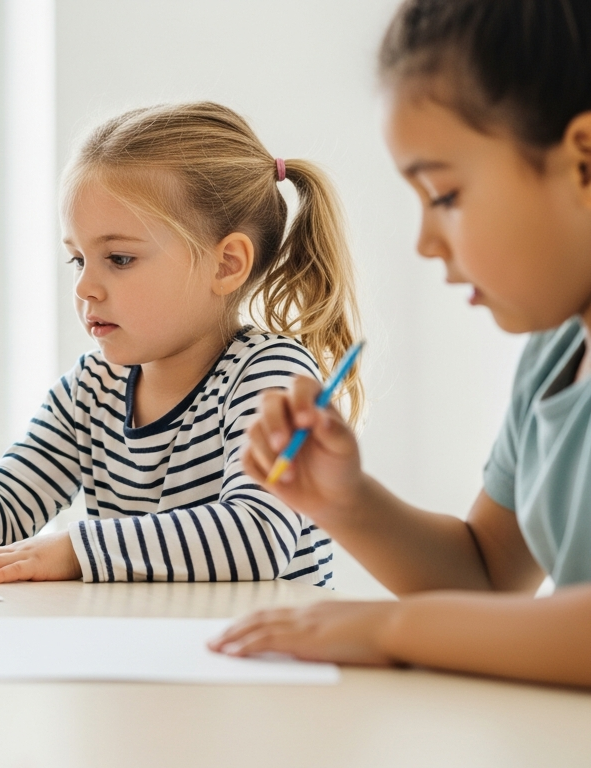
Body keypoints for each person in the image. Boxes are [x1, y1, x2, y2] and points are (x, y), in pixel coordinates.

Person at [215, 0, 591, 689]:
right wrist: (345, 500)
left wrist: (393, 629)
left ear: (583, 162)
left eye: (443, 195)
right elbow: (487, 580)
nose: (424, 242)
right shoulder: (554, 357)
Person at [0, 102, 362, 586]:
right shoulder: (91, 390)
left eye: (120, 259)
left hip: (267, 675)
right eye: (77, 259)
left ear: (226, 264)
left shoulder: (273, 376)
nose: (84, 287)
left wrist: (74, 551)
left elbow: (257, 537)